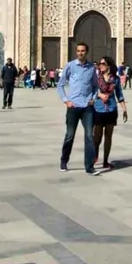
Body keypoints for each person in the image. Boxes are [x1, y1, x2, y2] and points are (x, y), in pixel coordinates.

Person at [57, 42, 99, 174]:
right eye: (78, 51)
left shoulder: (92, 68)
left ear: (87, 52)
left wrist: (93, 98)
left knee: (89, 136)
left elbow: (95, 86)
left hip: (87, 107)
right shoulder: (70, 66)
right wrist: (66, 101)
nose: (81, 53)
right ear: (76, 52)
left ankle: (89, 166)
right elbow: (60, 85)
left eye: (83, 51)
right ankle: (64, 160)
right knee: (70, 135)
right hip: (73, 106)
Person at [92, 55, 128, 170]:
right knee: (97, 137)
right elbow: (91, 91)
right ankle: (95, 156)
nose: (100, 66)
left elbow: (119, 95)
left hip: (111, 110)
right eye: (100, 64)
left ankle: (106, 161)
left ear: (108, 66)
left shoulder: (115, 79)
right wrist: (99, 95)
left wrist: (124, 109)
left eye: (103, 64)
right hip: (98, 109)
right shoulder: (96, 78)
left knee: (108, 137)